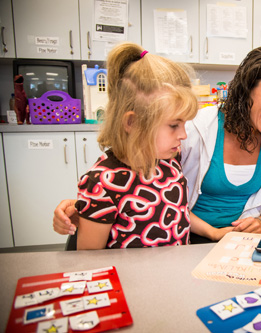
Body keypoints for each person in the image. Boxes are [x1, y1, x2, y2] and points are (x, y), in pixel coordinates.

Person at [53, 44, 261, 244]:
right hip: (187, 242)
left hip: (225, 242)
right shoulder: (192, 126)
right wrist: (87, 208)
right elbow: (133, 170)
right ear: (248, 88)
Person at [71, 42, 198, 249]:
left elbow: (176, 212)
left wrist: (212, 232)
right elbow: (88, 260)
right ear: (132, 122)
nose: (183, 135)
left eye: (184, 124)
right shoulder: (101, 183)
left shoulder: (170, 162)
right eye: (174, 125)